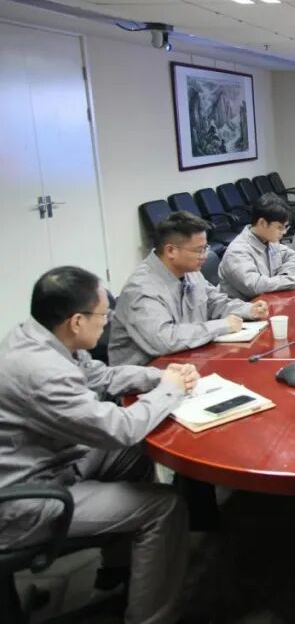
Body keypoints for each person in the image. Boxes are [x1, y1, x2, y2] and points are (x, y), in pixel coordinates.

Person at [0, 266, 199, 624]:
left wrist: (161, 377)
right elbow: (120, 428)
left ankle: (118, 569)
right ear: (77, 321)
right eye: (103, 316)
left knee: (134, 455)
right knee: (165, 506)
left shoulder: (41, 336)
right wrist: (171, 391)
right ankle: (152, 618)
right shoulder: (42, 372)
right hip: (26, 499)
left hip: (49, 458)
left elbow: (101, 376)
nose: (107, 323)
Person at [110, 212, 267, 366]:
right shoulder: (141, 288)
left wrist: (249, 309)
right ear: (171, 251)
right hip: (148, 373)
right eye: (199, 250)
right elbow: (165, 339)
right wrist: (222, 325)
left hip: (187, 360)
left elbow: (214, 302)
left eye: (205, 248)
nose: (204, 256)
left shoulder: (190, 272)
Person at [218, 194, 295, 300]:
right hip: (246, 307)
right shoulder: (237, 252)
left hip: (271, 300)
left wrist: (284, 277)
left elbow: (294, 257)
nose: (284, 232)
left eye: (285, 227)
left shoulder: (269, 240)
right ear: (262, 223)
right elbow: (255, 286)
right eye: (280, 227)